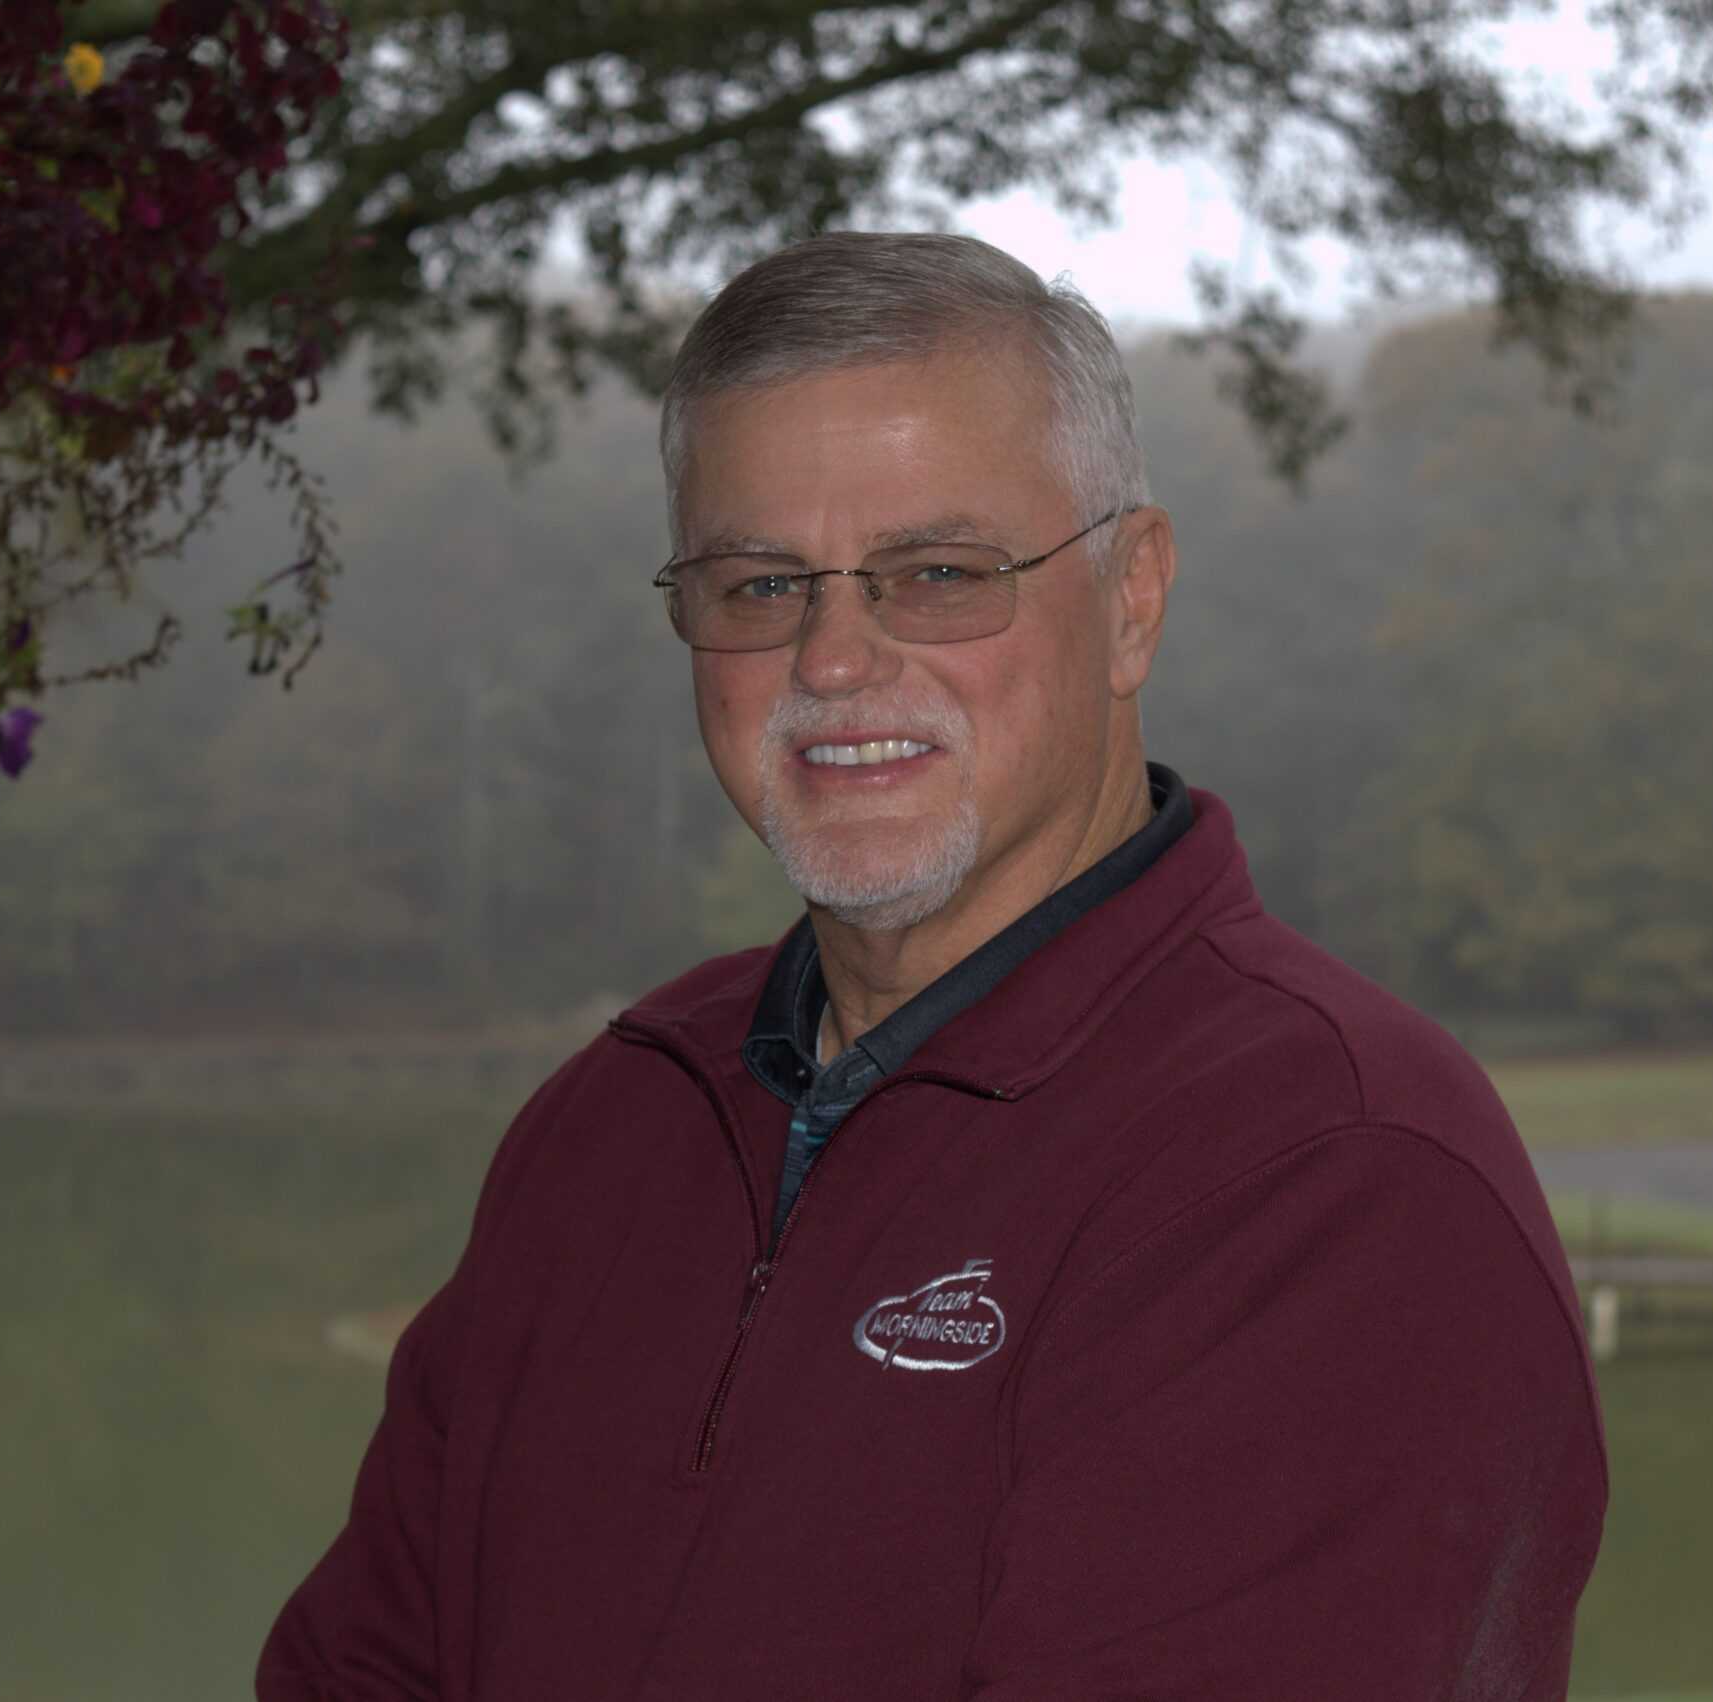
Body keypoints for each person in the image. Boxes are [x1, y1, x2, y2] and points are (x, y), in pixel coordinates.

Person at [258, 231, 1605, 1701]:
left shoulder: (1332, 1174)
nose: (835, 658)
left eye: (940, 571)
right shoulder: (614, 1121)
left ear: (1132, 596)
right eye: (761, 586)